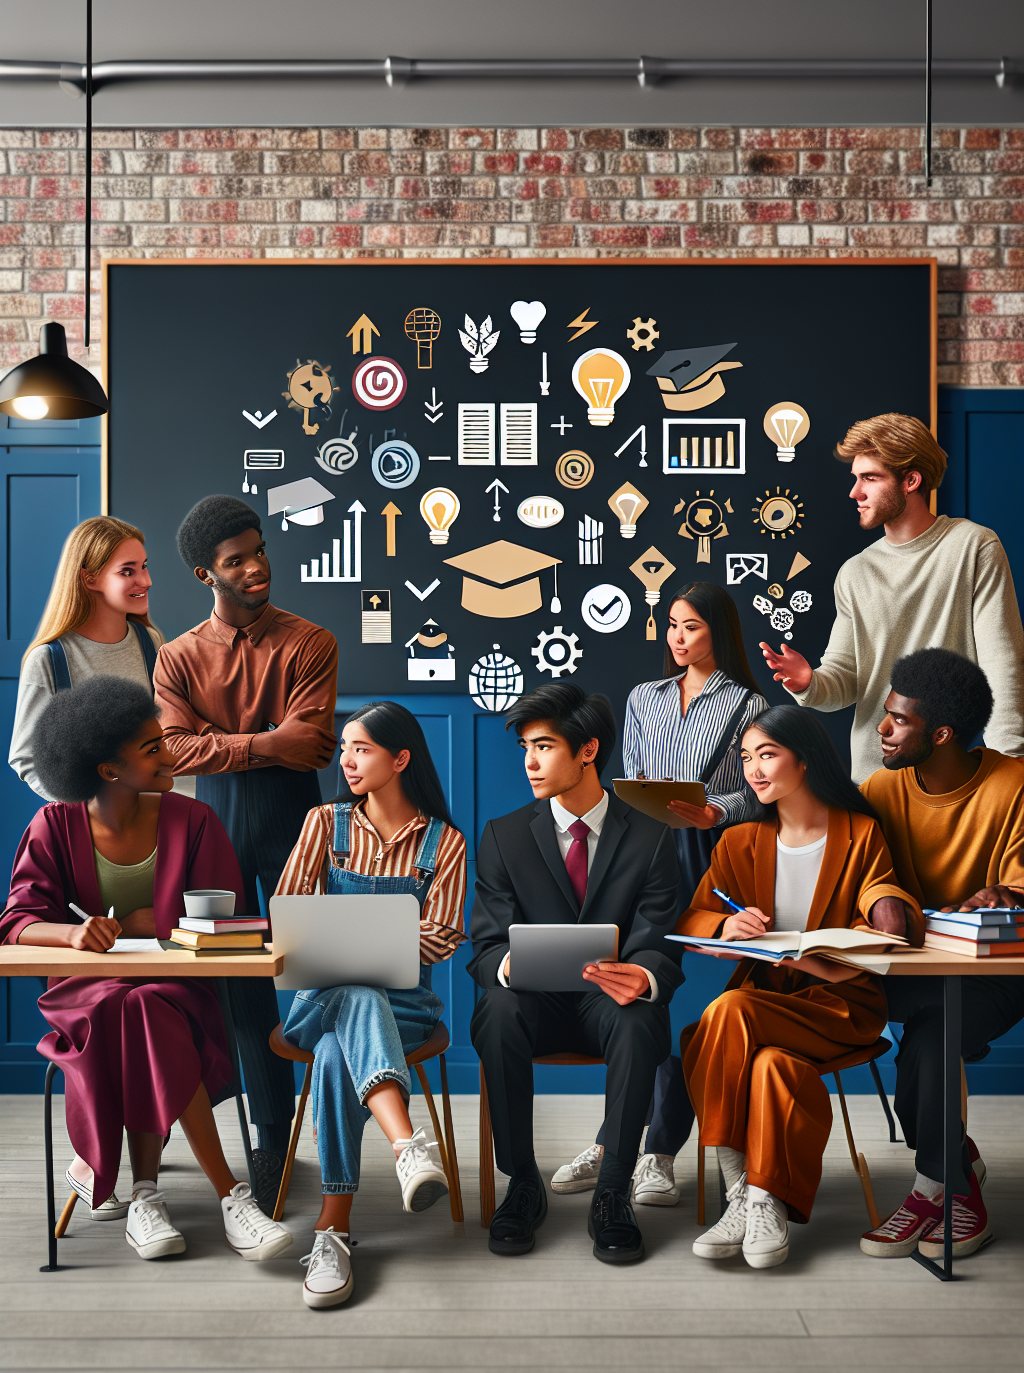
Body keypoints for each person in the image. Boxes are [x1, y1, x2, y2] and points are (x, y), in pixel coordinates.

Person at [0, 677, 292, 1262]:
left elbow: (224, 913)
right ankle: (231, 1198)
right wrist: (74, 932)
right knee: (134, 1008)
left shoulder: (193, 819)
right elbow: (17, 922)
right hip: (87, 1000)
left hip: (179, 991)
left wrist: (148, 922)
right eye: (153, 749)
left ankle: (144, 1195)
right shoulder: (52, 827)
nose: (170, 755)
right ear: (109, 770)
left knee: (145, 1008)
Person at [680, 704, 921, 1269]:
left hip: (839, 1006)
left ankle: (733, 1178)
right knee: (771, 1066)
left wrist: (819, 950)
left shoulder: (860, 833)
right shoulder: (738, 842)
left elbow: (881, 911)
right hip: (767, 1010)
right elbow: (694, 917)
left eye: (767, 755)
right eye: (745, 758)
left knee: (730, 1009)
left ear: (805, 759)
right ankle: (760, 1197)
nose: (753, 771)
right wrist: (725, 925)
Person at [552, 581, 767, 1207]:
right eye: (671, 625)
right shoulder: (643, 696)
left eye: (691, 627)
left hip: (710, 858)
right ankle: (614, 1142)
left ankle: (657, 1152)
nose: (677, 638)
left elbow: (759, 788)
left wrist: (714, 812)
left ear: (717, 633)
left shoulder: (746, 703)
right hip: (642, 854)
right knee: (635, 997)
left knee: (689, 1011)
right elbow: (634, 774)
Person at [153, 495, 339, 1212]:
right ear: (207, 573)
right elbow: (171, 751)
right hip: (215, 831)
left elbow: (314, 744)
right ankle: (268, 1138)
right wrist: (267, 742)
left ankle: (339, 1129)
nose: (257, 566)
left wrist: (219, 740)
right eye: (238, 560)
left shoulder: (311, 640)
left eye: (259, 550)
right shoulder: (175, 657)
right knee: (241, 992)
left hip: (303, 828)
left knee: (325, 976)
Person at [469, 683, 684, 1265]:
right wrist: (510, 963)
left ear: (588, 750)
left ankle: (614, 1189)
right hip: (533, 1005)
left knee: (642, 1014)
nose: (529, 762)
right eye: (524, 748)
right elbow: (484, 947)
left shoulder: (652, 834)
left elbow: (660, 936)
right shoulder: (502, 835)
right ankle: (522, 1182)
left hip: (609, 1006)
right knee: (497, 1006)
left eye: (543, 746)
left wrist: (645, 975)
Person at [275, 700, 466, 1307]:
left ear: (400, 758)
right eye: (346, 747)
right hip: (316, 1001)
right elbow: (289, 920)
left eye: (362, 748)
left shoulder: (446, 842)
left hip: (406, 1011)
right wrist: (386, 931)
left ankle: (332, 1231)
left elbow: (442, 938)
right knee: (352, 994)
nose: (347, 759)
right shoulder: (322, 824)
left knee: (338, 1051)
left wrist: (346, 931)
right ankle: (408, 1146)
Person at [857, 649, 1024, 1260]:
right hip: (912, 974)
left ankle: (938, 1187)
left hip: (994, 977)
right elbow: (865, 869)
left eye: (898, 720)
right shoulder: (879, 788)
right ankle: (952, 1164)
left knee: (930, 1041)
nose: (883, 727)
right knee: (926, 1037)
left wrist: (1006, 894)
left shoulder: (1015, 785)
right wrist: (885, 897)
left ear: (942, 734)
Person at [759, 413, 1024, 782]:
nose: (855, 492)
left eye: (870, 478)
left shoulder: (973, 546)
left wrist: (1010, 763)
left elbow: (1002, 662)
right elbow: (847, 679)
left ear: (911, 480)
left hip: (950, 772)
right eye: (855, 478)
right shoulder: (855, 572)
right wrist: (810, 683)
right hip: (872, 778)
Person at [9, 516, 163, 799]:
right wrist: (90, 809)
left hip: (163, 814)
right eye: (127, 572)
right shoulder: (48, 659)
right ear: (90, 578)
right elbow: (26, 758)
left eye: (144, 566)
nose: (146, 581)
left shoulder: (150, 643)